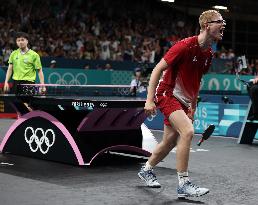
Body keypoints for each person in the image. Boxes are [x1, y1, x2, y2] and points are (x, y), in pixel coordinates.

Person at [137, 10, 226, 198]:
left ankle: (146, 170)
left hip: (184, 100)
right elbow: (156, 70)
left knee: (169, 142)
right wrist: (149, 99)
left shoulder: (208, 54)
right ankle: (183, 183)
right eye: (220, 21)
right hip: (167, 94)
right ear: (206, 25)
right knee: (188, 132)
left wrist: (193, 104)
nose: (224, 24)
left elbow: (196, 79)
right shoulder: (184, 46)